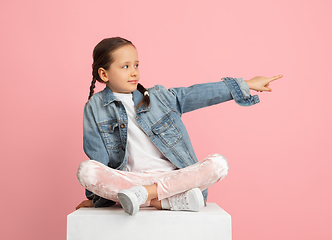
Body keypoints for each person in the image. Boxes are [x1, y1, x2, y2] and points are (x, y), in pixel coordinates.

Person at [75, 37, 282, 215]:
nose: (134, 72)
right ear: (104, 74)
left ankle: (147, 195)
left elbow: (196, 94)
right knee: (87, 171)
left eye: (136, 65)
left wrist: (245, 84)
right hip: (131, 180)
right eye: (125, 66)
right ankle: (164, 201)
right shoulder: (94, 107)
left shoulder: (159, 97)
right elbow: (98, 158)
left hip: (173, 178)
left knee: (219, 164)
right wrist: (96, 199)